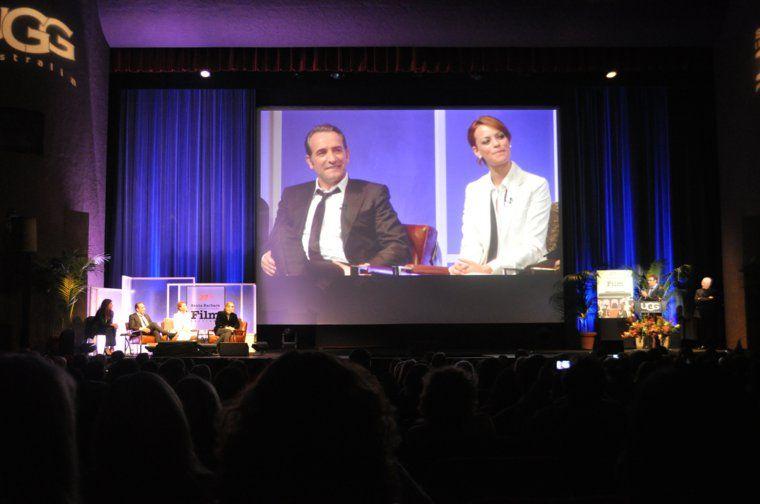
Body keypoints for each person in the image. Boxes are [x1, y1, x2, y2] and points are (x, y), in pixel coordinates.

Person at [261, 124, 411, 277]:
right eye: (322, 153)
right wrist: (265, 255)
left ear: (347, 154)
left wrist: (362, 271)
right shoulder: (292, 195)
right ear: (310, 162)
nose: (332, 159)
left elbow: (398, 245)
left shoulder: (372, 193)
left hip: (348, 280)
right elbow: (277, 239)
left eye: (337, 150)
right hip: (300, 278)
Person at [450, 116, 552, 275]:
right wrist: (465, 266)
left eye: (500, 136)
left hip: (521, 275)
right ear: (477, 151)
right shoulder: (474, 189)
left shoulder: (536, 185)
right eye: (486, 141)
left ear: (508, 141)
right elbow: (471, 241)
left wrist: (490, 268)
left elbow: (534, 247)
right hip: (480, 278)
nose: (497, 144)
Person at [694, 276, 720, 349]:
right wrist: (708, 298)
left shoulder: (713, 291)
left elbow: (714, 301)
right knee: (700, 330)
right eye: (702, 282)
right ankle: (701, 344)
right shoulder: (698, 291)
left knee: (710, 329)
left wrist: (701, 299)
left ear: (709, 284)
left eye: (704, 282)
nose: (702, 283)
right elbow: (696, 301)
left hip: (710, 313)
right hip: (699, 313)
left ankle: (710, 344)